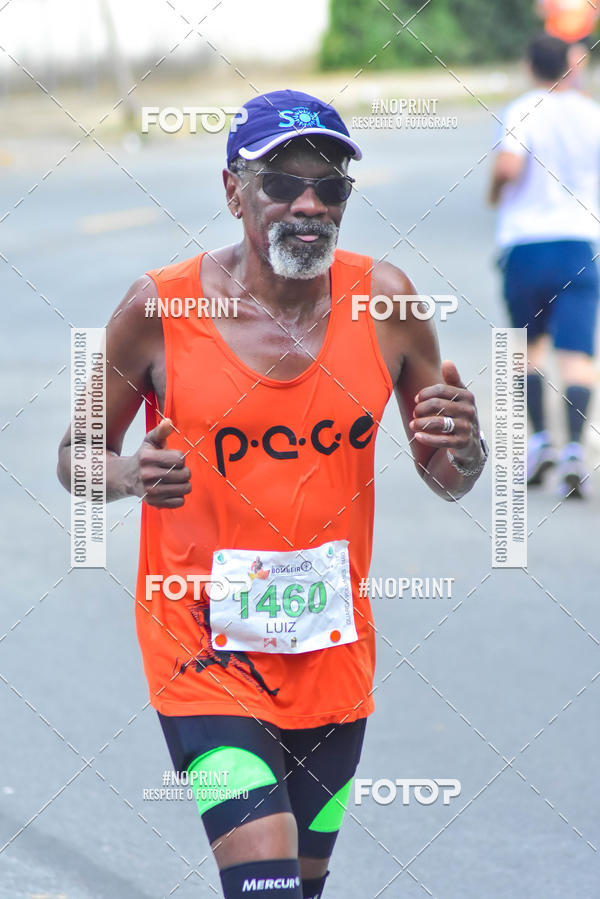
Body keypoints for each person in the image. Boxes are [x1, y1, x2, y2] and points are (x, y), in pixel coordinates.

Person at [58, 89, 487, 898]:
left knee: (305, 885)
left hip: (331, 650)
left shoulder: (388, 302)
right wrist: (127, 476)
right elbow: (76, 452)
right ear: (233, 192)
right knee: (264, 886)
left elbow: (450, 480)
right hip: (202, 645)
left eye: (330, 188)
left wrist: (465, 448)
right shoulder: (159, 308)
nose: (308, 206)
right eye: (283, 183)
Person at [489, 36, 600, 498]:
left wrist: (494, 192)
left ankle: (539, 443)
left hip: (528, 244)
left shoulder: (523, 109)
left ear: (530, 65)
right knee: (577, 355)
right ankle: (575, 448)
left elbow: (510, 168)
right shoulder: (591, 113)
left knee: (526, 351)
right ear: (570, 67)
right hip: (581, 243)